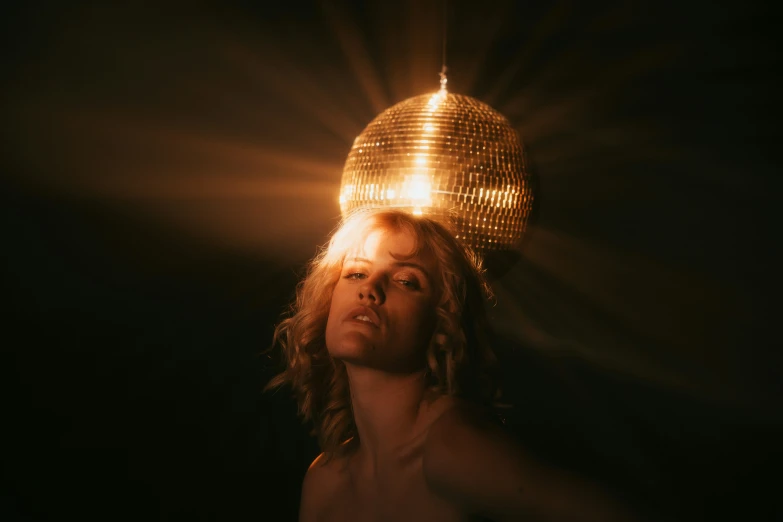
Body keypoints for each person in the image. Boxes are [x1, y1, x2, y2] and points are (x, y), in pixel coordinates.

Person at [266, 208, 642, 522]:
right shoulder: (325, 480)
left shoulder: (453, 449)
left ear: (442, 324)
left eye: (406, 280)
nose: (370, 289)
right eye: (356, 273)